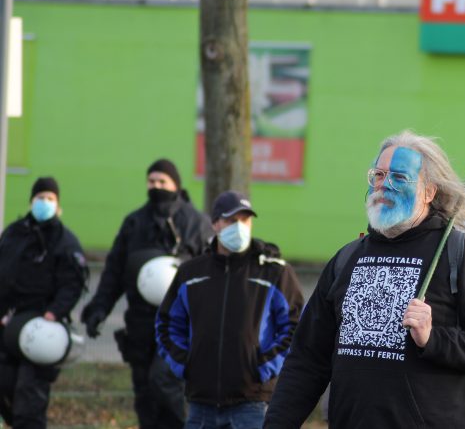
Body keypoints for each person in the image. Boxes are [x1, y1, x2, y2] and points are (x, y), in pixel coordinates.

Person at [265, 130, 465, 429]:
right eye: (379, 175)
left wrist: (433, 338)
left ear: (429, 192)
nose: (384, 185)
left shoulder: (460, 255)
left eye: (400, 177)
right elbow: (307, 359)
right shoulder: (347, 259)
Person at [80, 159, 213, 429]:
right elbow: (114, 272)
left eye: (162, 182)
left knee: (166, 382)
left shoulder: (196, 224)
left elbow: (212, 274)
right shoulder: (134, 223)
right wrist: (98, 308)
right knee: (146, 397)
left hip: (180, 325)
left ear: (176, 184)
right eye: (151, 182)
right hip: (140, 325)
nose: (156, 187)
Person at [156, 190, 304, 429]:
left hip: (252, 403)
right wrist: (185, 364)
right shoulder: (190, 273)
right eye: (232, 220)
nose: (240, 227)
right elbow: (166, 324)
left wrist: (265, 366)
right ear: (215, 224)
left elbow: (296, 326)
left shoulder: (274, 272)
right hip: (200, 404)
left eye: (245, 220)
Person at [0, 177, 87, 429]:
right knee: (5, 385)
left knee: (30, 396)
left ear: (58, 206)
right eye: (40, 198)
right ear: (31, 201)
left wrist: (54, 312)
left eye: (50, 198)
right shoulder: (14, 234)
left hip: (41, 327)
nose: (44, 203)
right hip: (8, 324)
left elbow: (72, 283)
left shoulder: (65, 241)